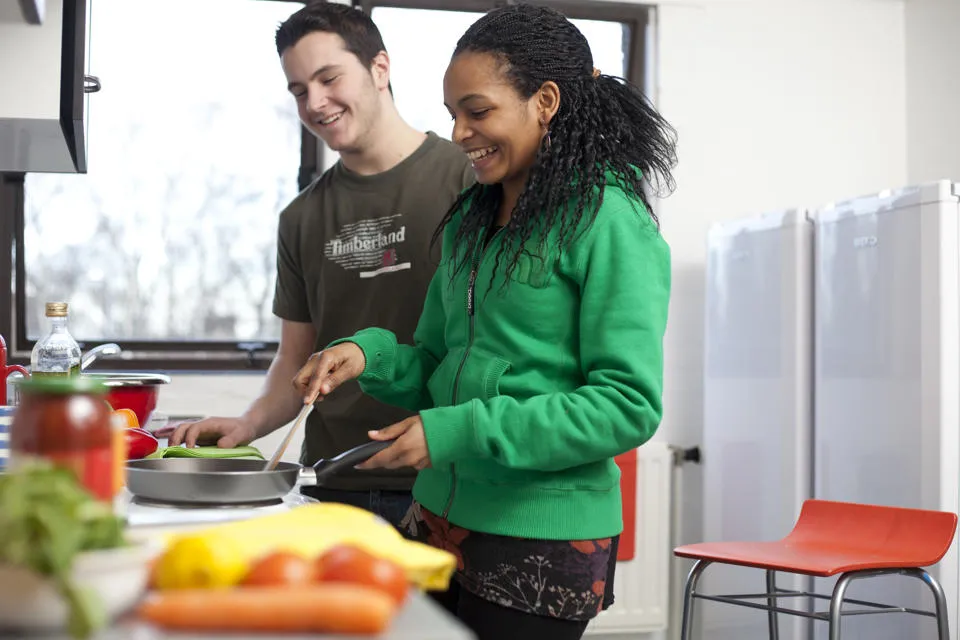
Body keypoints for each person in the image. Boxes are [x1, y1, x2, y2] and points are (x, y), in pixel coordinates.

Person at [294, 3, 676, 638]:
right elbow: (442, 369)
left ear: (545, 101)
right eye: (452, 114)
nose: (460, 132)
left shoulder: (611, 221)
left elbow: (626, 406)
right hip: (438, 522)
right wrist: (369, 357)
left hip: (541, 538)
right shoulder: (475, 219)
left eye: (478, 111)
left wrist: (458, 432)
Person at [167, 3, 473, 529]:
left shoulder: (468, 179)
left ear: (380, 68)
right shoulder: (301, 217)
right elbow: (295, 358)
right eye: (298, 90)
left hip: (444, 482)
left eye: (329, 78)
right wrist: (248, 424)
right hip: (332, 484)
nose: (315, 103)